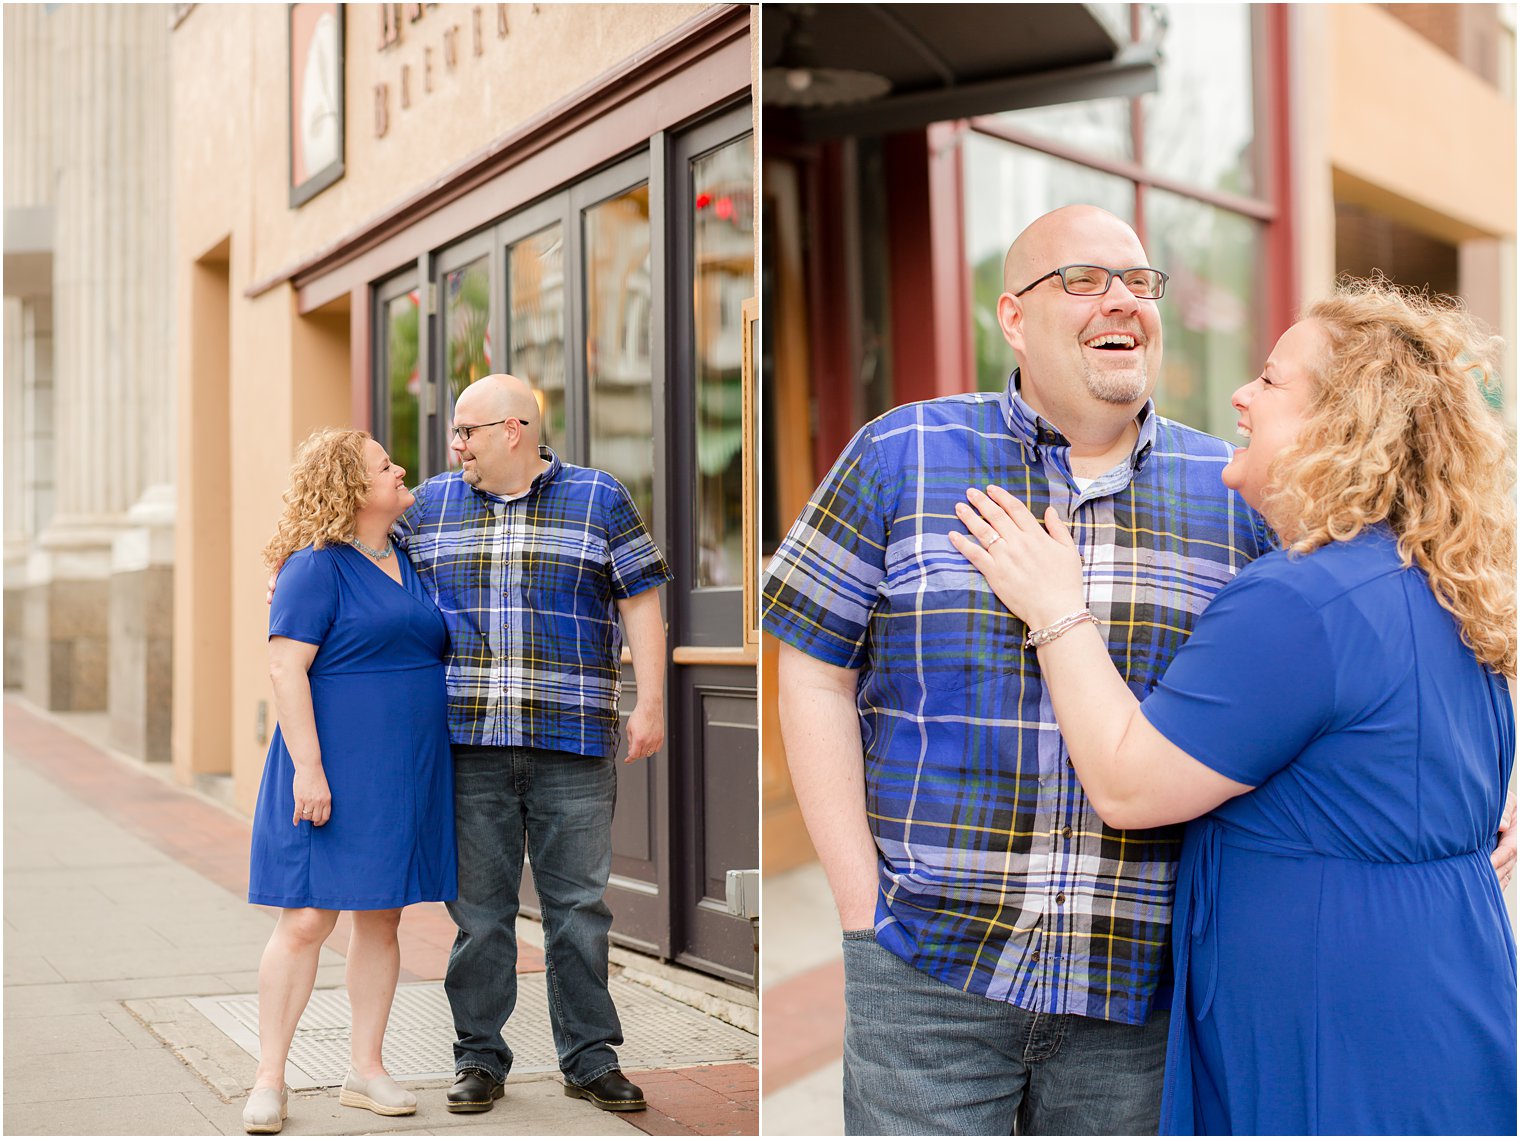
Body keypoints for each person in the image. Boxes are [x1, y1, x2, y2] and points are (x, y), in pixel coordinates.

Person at [761, 205, 1518, 1135]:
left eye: (1140, 281)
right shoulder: (900, 453)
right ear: (1012, 316)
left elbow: (1376, 638)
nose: (1122, 297)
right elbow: (811, 667)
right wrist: (858, 903)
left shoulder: (1237, 489)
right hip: (930, 970)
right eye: (1084, 278)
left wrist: (1466, 783)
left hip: (1138, 997)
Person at [952, 278, 1517, 1135]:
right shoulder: (1440, 583)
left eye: (1270, 378)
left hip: (1332, 1018)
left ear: (1343, 421)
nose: (1240, 395)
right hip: (1442, 984)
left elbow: (1129, 786)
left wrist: (1056, 607)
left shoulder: (1302, 601)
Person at [396, 374, 670, 1115]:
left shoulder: (599, 496)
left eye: (466, 433)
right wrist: (288, 579)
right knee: (478, 915)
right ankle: (479, 1059)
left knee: (578, 909)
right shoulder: (428, 505)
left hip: (572, 739)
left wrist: (650, 700)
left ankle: (589, 1058)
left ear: (513, 430)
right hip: (468, 742)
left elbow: (641, 599)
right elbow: (359, 558)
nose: (456, 447)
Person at [245, 429, 456, 1135]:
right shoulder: (313, 566)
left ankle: (366, 1067)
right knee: (306, 917)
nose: (401, 469)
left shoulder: (409, 551)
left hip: (404, 767)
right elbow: (285, 669)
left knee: (381, 913)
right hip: (329, 764)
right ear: (349, 487)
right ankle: (269, 1076)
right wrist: (308, 766)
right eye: (383, 464)